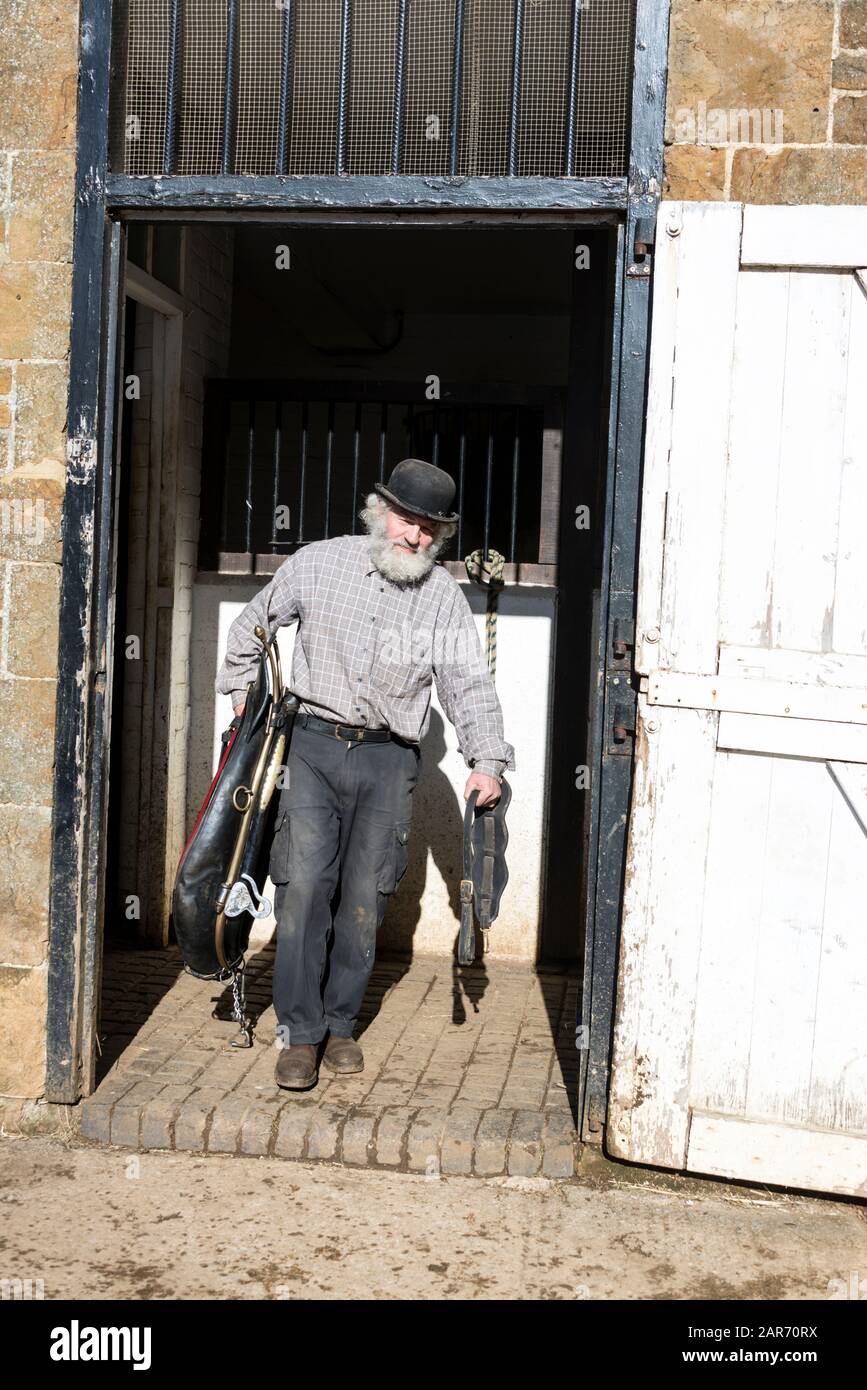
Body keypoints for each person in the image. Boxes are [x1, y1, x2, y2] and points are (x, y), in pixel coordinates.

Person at [215, 457, 515, 1090]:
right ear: (380, 513)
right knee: (302, 887)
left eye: (430, 530)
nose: (415, 538)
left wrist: (485, 760)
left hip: (388, 759)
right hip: (312, 750)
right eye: (407, 521)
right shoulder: (319, 562)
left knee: (365, 898)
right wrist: (244, 696)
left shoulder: (442, 599)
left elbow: (467, 683)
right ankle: (299, 1034)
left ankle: (340, 1023)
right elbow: (250, 630)